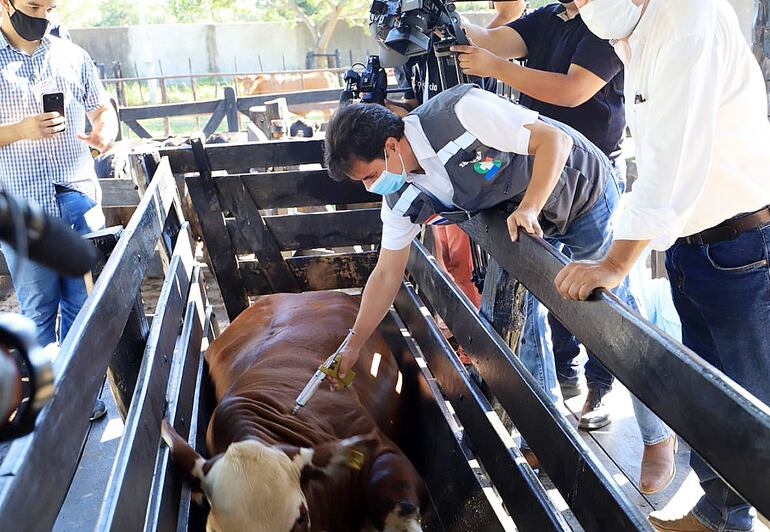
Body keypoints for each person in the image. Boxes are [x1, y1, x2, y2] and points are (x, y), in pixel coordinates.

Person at [557, 0, 770, 530]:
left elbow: (668, 171)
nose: (579, 8)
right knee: (712, 396)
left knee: (753, 404)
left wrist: (613, 263)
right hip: (693, 243)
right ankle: (721, 513)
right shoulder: (640, 28)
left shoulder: (685, 22)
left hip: (738, 245)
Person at [323, 84, 637, 441]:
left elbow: (554, 142)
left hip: (581, 192)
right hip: (520, 223)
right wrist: (354, 342)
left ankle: (641, 421)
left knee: (612, 308)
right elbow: (386, 273)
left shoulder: (461, 111)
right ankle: (548, 434)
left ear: (391, 146)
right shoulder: (399, 196)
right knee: (519, 322)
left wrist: (530, 207)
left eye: (369, 176)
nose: (370, 187)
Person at [457, 0, 631, 431]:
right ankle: (563, 382)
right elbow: (491, 39)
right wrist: (443, 17)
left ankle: (602, 388)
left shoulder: (606, 20)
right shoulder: (551, 15)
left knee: (605, 292)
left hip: (593, 178)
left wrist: (497, 68)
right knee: (547, 281)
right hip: (541, 175)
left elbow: (573, 90)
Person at [0, 0, 118, 419]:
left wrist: (104, 130)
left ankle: (77, 397)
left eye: (50, 7)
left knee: (83, 303)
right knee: (37, 307)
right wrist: (19, 130)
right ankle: (44, 405)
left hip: (78, 194)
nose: (44, 17)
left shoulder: (72, 54)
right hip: (21, 204)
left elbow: (103, 107)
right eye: (34, 5)